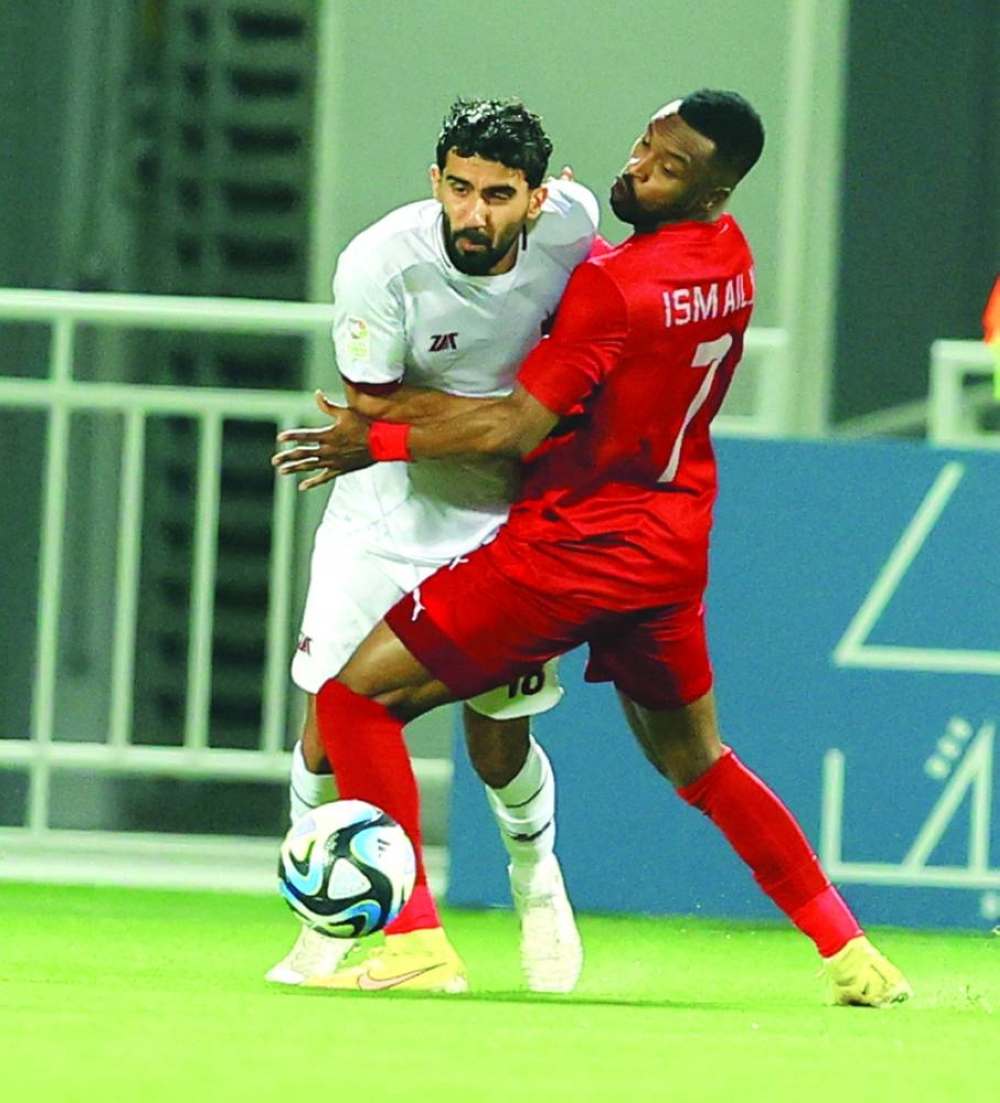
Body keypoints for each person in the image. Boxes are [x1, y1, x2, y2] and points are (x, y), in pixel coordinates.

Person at [274, 89, 913, 1006]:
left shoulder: (614, 288)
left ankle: (414, 937)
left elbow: (510, 430)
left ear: (714, 187)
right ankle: (850, 950)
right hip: (673, 542)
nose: (640, 168)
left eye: (669, 166)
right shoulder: (731, 259)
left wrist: (369, 442)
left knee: (352, 701)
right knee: (701, 761)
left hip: (572, 548)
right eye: (645, 145)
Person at [267, 98, 600, 993]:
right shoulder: (379, 262)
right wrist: (509, 421)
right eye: (459, 188)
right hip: (381, 513)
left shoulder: (576, 230)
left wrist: (509, 433)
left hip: (499, 526)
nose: (474, 214)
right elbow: (369, 408)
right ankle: (324, 925)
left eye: (498, 194)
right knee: (327, 727)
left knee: (496, 744)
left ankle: (538, 887)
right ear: (436, 181)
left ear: (538, 198)